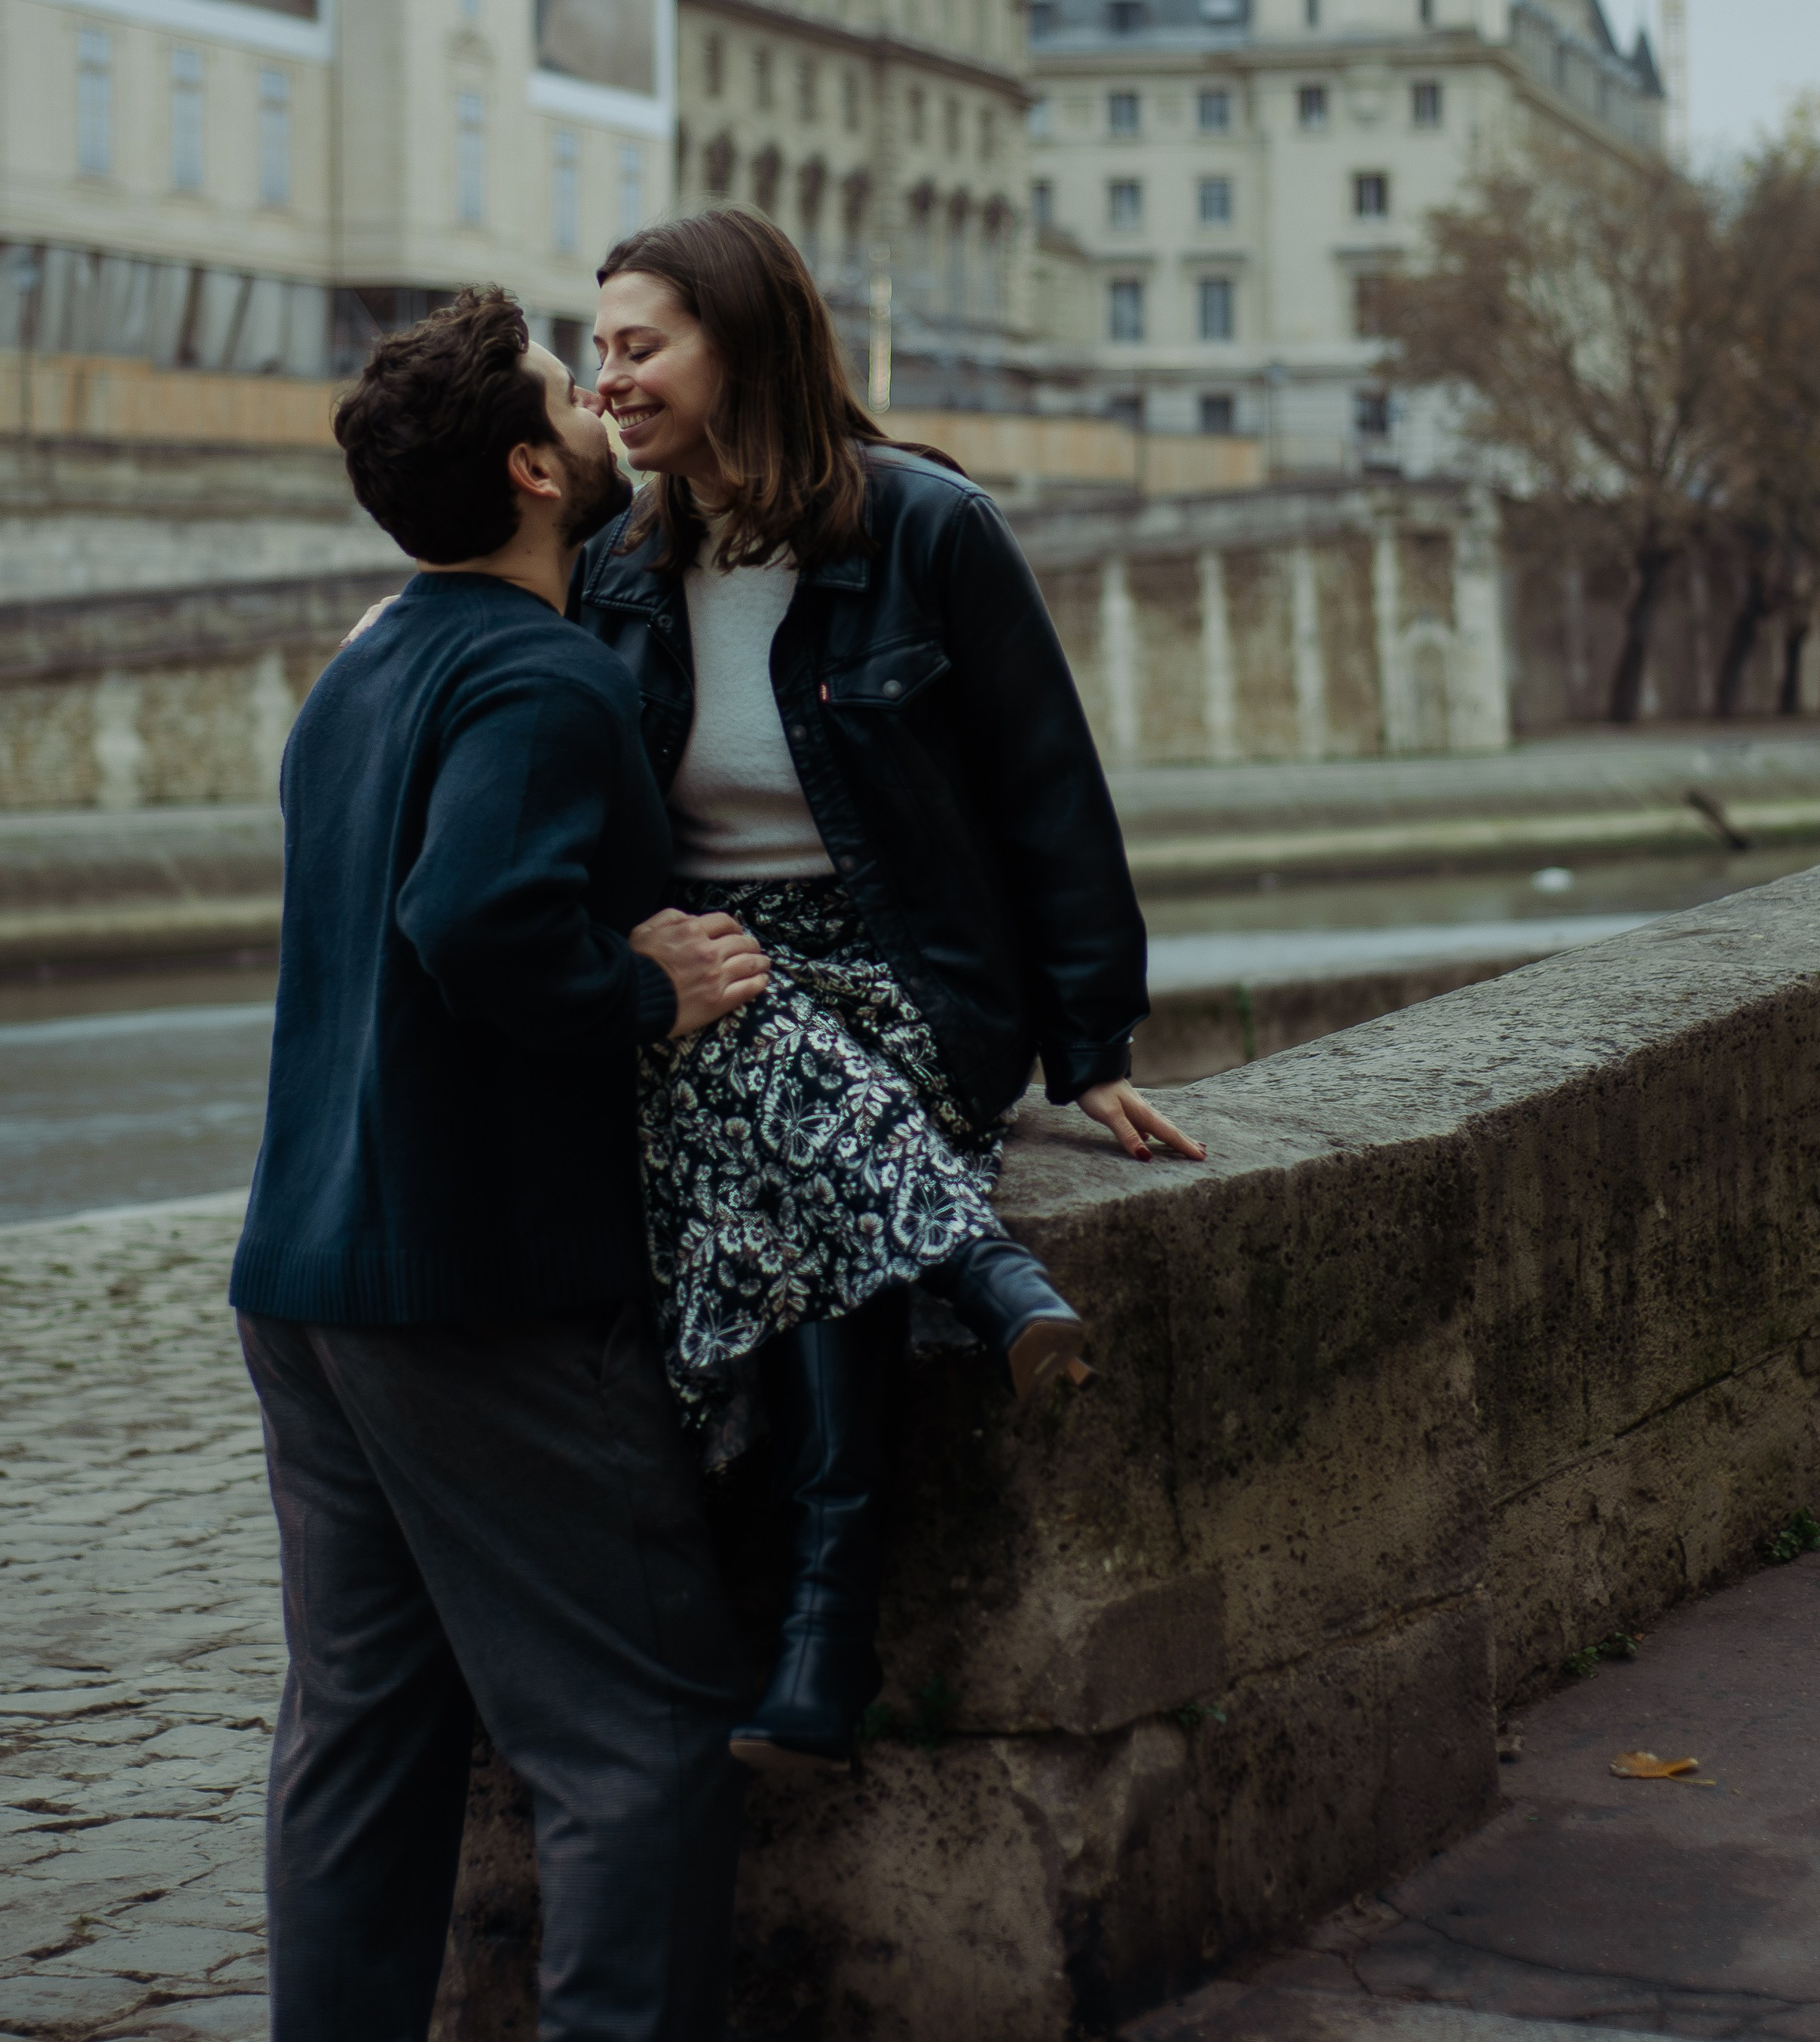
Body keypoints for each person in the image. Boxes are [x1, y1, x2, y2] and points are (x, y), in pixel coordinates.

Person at [572, 209, 1205, 1775]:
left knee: (764, 1080)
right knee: (753, 1052)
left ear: (741, 344)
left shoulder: (928, 528)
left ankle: (807, 1617)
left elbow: (1048, 789)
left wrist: (1089, 1045)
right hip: (717, 973)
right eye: (597, 351)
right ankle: (967, 1286)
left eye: (641, 345)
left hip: (907, 967)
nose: (608, 379)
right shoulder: (617, 567)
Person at [231, 287, 769, 2039]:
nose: (603, 404)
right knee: (639, 1727)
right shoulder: (542, 676)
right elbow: (471, 916)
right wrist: (645, 984)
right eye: (570, 393)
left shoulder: (364, 662)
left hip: (304, 1278)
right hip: (474, 1282)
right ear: (535, 471)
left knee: (360, 1728)